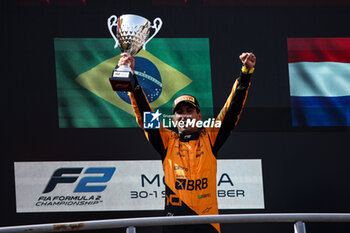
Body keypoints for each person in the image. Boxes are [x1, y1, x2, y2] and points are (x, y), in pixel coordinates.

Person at [118, 52, 256, 233]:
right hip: (174, 225)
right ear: (173, 119)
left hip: (208, 225)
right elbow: (144, 114)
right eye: (180, 112)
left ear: (199, 116)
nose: (184, 115)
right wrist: (131, 77)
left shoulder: (210, 137)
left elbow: (232, 110)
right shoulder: (166, 140)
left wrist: (245, 74)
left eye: (189, 110)